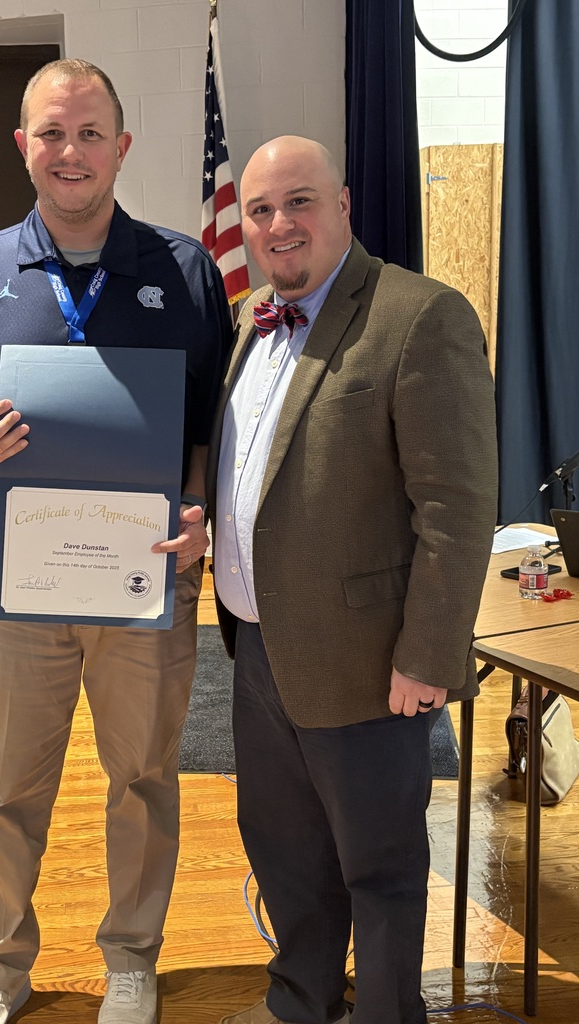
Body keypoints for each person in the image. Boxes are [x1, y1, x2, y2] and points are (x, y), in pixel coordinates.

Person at [0, 59, 230, 1024]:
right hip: (16, 577)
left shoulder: (184, 268)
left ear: (121, 147)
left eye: (89, 134)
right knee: (11, 788)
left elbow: (209, 421)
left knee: (142, 778)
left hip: (142, 576)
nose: (70, 152)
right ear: (23, 146)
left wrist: (199, 508)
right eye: (51, 133)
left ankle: (132, 960)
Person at [205, 136, 498, 1024]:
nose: (277, 224)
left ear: (342, 205)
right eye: (259, 210)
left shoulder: (419, 316)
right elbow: (256, 471)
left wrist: (429, 658)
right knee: (287, 852)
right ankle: (302, 999)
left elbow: (456, 507)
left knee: (378, 867)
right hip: (256, 649)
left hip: (371, 663)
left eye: (298, 202)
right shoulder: (252, 321)